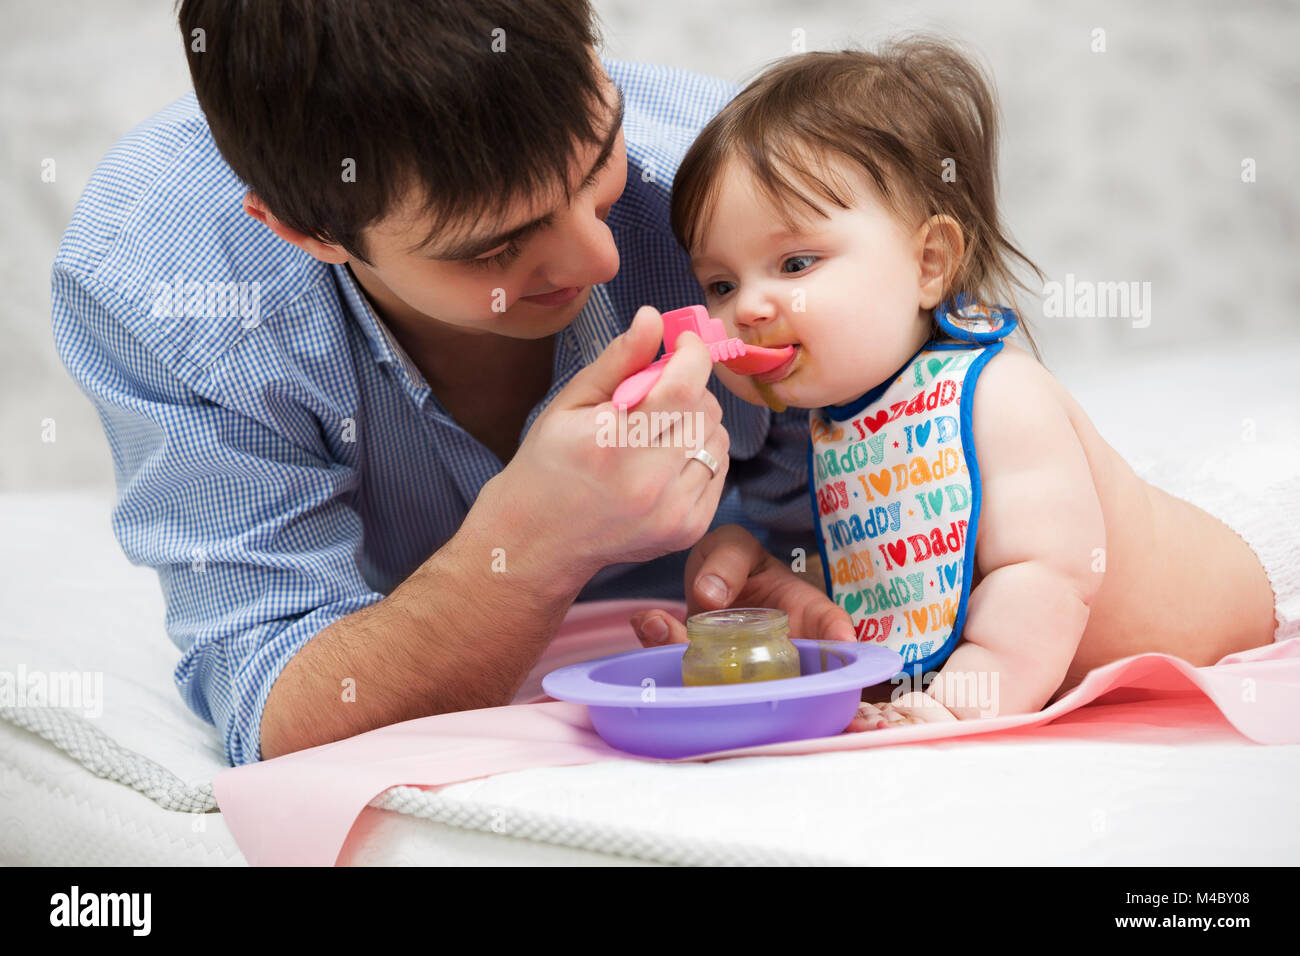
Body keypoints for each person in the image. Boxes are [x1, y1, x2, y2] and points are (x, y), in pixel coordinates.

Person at [49, 0, 852, 766]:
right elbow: (277, 701)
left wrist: (795, 548)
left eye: (598, 161)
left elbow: (954, 413)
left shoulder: (770, 177)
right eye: (493, 249)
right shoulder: (164, 280)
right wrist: (534, 544)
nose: (599, 261)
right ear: (308, 232)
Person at [641, 37, 1285, 727]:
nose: (749, 307)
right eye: (720, 283)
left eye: (796, 263)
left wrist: (963, 700)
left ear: (930, 264)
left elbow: (1046, 574)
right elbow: (904, 571)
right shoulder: (838, 426)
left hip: (1251, 594)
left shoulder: (999, 398)